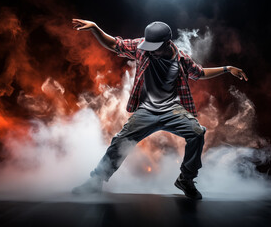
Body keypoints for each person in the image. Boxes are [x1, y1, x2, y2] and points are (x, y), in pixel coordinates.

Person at [71, 19, 248, 199]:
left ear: (167, 43)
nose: (150, 51)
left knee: (197, 132)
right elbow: (114, 44)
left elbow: (200, 73)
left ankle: (186, 180)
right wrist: (95, 27)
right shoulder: (141, 48)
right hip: (146, 111)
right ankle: (96, 181)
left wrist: (227, 69)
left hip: (172, 110)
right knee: (120, 141)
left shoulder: (181, 59)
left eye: (155, 47)